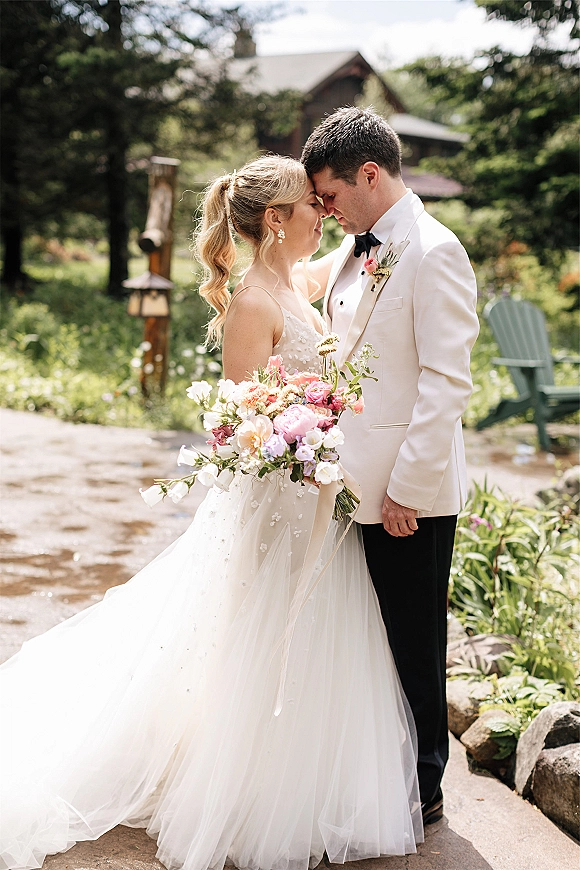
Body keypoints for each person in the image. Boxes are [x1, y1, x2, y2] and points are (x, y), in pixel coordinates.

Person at [0, 155, 423, 870]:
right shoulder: (254, 301)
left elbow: (353, 274)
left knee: (315, 639)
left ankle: (309, 784)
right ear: (275, 219)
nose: (324, 214)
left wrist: (380, 236)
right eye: (311, 206)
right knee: (264, 639)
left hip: (319, 495)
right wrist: (308, 428)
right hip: (283, 501)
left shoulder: (294, 280)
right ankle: (252, 793)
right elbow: (241, 421)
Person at [301, 107, 480, 825]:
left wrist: (406, 488)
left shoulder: (435, 252)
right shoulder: (355, 247)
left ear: (368, 174)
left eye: (330, 196)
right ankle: (377, 775)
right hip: (350, 486)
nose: (325, 210)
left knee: (412, 640)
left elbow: (447, 383)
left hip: (410, 495)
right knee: (369, 640)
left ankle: (424, 787)